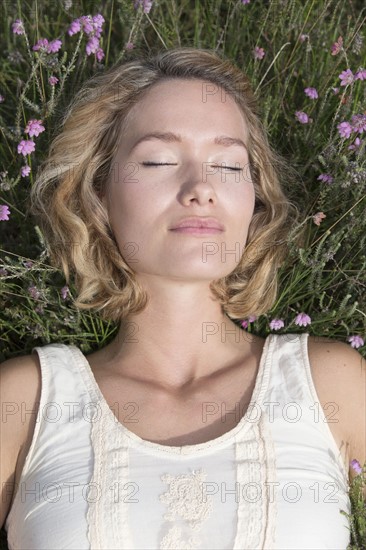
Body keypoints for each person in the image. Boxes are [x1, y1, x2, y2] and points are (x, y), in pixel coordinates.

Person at [0, 47, 365, 550]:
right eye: (159, 159)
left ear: (255, 199)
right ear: (98, 191)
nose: (201, 187)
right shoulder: (28, 399)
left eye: (229, 165)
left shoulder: (332, 384)